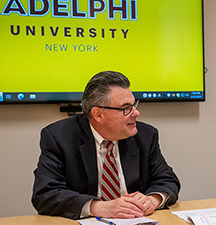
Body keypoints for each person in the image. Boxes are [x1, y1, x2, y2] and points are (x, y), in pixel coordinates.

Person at [32, 71, 180, 220]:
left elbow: (167, 180)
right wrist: (99, 207)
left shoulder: (145, 135)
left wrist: (152, 200)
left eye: (134, 104)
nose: (136, 113)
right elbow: (45, 195)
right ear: (98, 114)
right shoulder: (59, 137)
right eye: (126, 108)